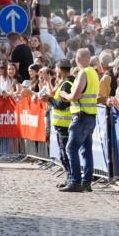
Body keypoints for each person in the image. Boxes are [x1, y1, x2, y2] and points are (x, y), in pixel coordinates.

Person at [58, 47, 100, 193]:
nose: (75, 60)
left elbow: (75, 96)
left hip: (81, 116)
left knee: (71, 148)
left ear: (80, 59)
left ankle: (75, 181)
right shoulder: (93, 73)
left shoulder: (83, 73)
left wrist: (64, 94)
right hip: (90, 115)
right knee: (86, 150)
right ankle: (86, 183)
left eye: (76, 57)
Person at [49, 59, 74, 187]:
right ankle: (69, 179)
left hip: (64, 125)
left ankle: (71, 179)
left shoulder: (67, 84)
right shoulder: (65, 82)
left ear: (60, 69)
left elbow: (62, 105)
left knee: (65, 155)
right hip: (63, 125)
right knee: (64, 154)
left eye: (56, 69)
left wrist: (49, 100)